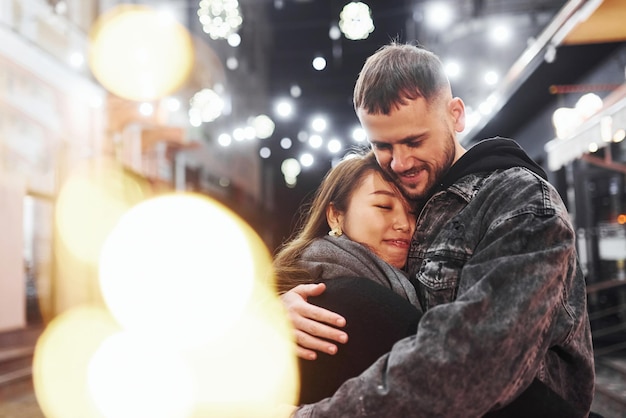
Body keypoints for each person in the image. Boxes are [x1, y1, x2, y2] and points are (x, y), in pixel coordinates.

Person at [281, 42, 595, 417]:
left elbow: (475, 363)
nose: (399, 162)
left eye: (414, 141)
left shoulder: (519, 200)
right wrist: (281, 310)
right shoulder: (422, 197)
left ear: (456, 115)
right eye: (382, 145)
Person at [273, 151, 423, 404]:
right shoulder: (330, 300)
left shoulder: (417, 284)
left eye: (413, 212)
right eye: (384, 206)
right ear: (336, 215)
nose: (404, 224)